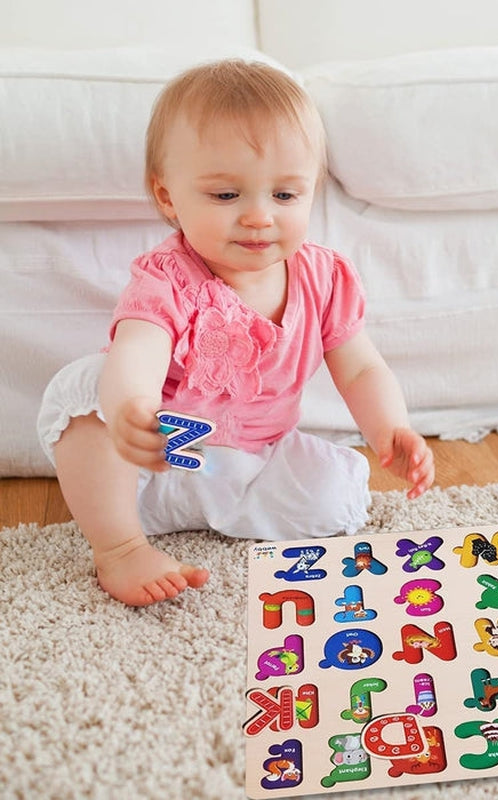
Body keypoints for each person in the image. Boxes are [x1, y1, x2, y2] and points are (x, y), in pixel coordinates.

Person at [37, 59, 434, 607]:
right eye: (227, 196)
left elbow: (361, 366)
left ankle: (208, 510)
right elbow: (138, 346)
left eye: (285, 196)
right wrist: (131, 407)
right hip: (153, 458)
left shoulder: (324, 277)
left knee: (338, 496)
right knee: (83, 390)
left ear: (311, 191)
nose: (258, 217)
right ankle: (122, 544)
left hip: (250, 463)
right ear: (169, 197)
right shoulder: (167, 278)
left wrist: (392, 428)